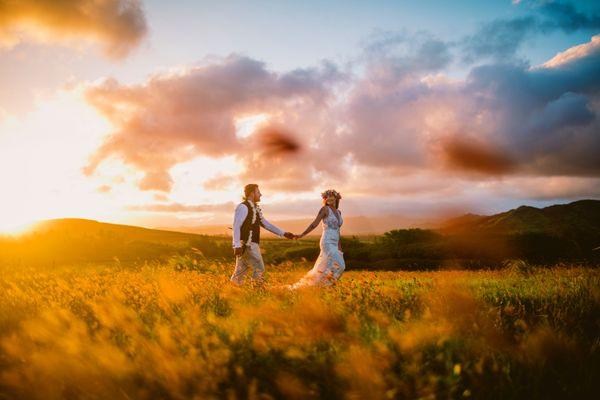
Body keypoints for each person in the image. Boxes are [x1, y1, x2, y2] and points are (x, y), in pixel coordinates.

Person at [231, 183, 294, 285]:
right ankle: (258, 289)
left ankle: (231, 292)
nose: (261, 194)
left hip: (249, 244)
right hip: (248, 244)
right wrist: (237, 245)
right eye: (258, 192)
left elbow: (266, 224)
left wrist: (284, 233)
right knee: (259, 267)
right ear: (252, 193)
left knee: (240, 272)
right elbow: (236, 226)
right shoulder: (243, 207)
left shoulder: (255, 208)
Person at [287, 189, 345, 289]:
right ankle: (324, 286)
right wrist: (302, 234)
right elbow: (314, 224)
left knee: (326, 266)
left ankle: (320, 286)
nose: (329, 198)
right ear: (325, 199)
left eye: (331, 196)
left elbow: (338, 231)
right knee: (339, 265)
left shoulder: (339, 212)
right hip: (327, 241)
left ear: (336, 198)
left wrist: (339, 247)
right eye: (327, 197)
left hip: (335, 243)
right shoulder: (325, 209)